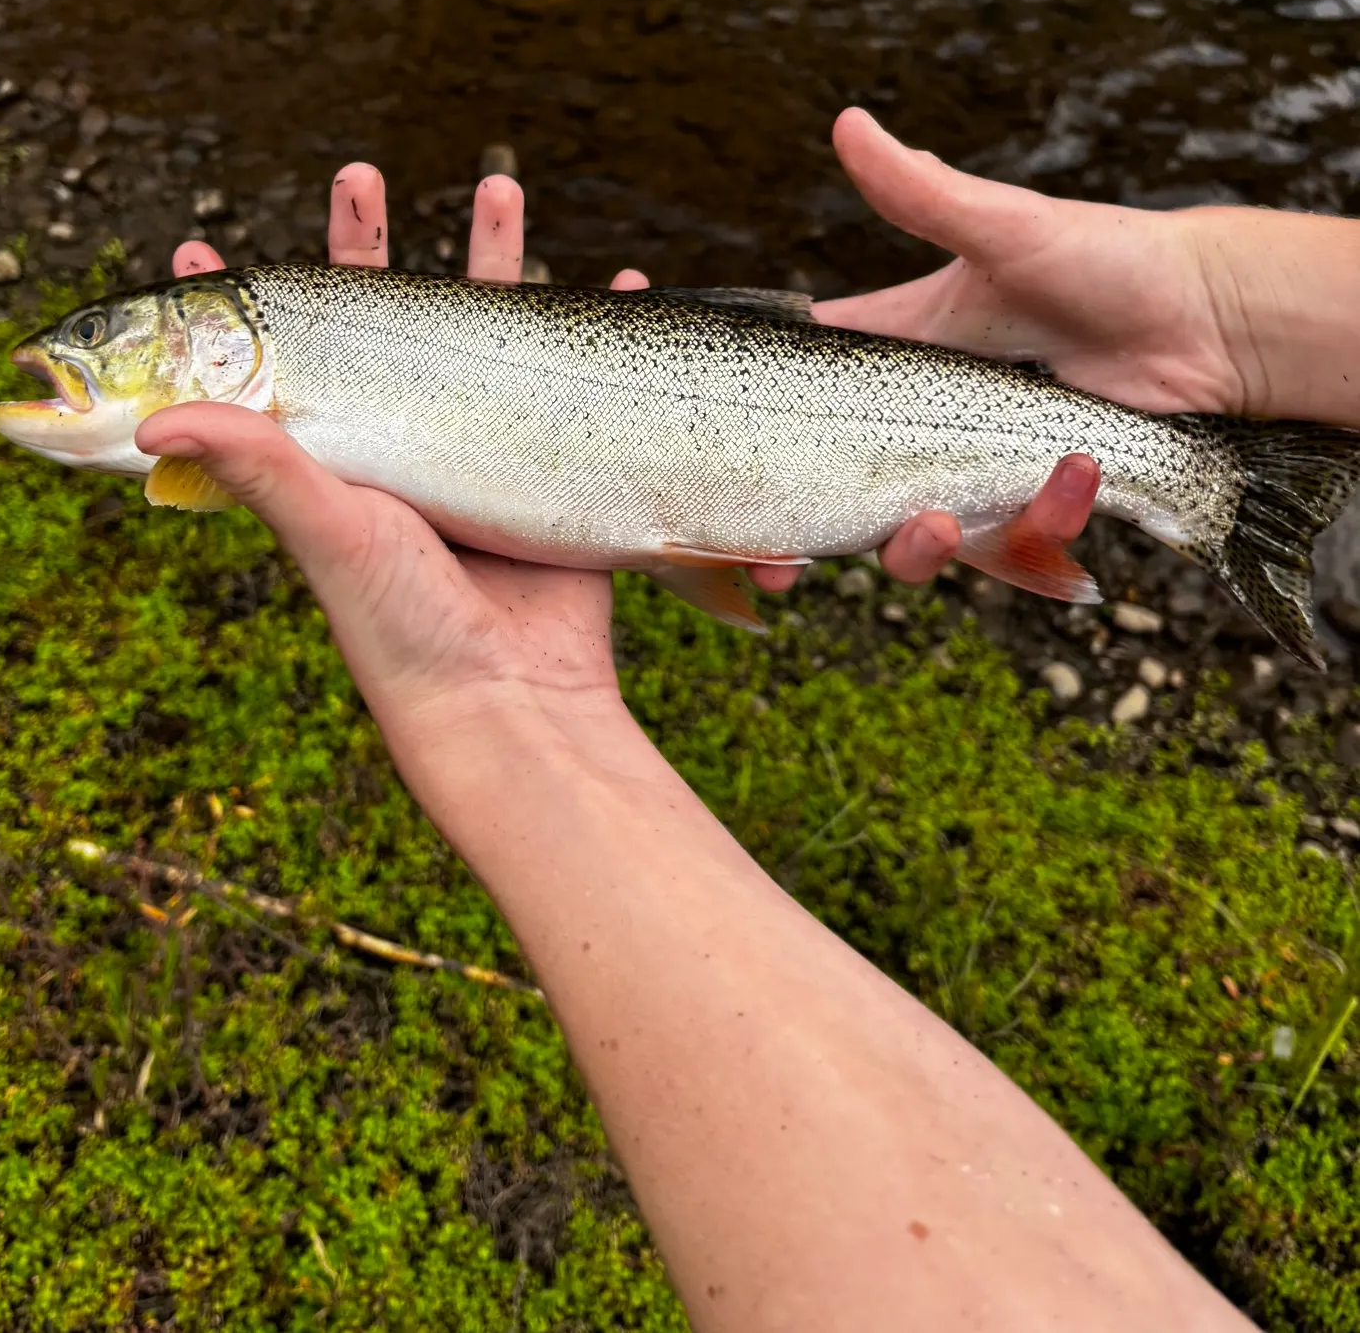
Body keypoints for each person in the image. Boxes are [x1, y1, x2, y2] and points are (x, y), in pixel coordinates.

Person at [134, 106, 1359, 1331]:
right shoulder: (277, 358)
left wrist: (1215, 320)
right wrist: (1220, 309)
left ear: (208, 343)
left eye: (105, 341)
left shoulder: (292, 339)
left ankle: (1221, 485)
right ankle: (1217, 482)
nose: (83, 358)